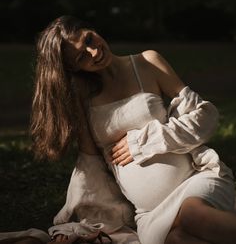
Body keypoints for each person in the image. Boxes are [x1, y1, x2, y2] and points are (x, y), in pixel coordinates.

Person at [30, 15, 236, 244]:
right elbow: (90, 162)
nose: (94, 52)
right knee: (177, 239)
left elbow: (205, 118)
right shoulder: (81, 94)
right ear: (73, 67)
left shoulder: (147, 62)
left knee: (191, 216)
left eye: (89, 39)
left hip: (193, 181)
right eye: (81, 56)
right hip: (150, 213)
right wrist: (80, 223)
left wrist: (142, 142)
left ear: (92, 29)